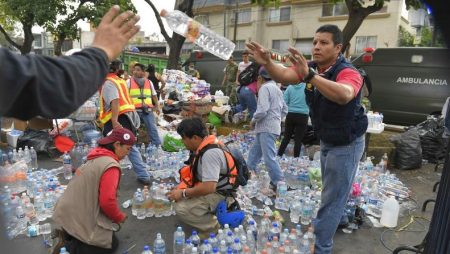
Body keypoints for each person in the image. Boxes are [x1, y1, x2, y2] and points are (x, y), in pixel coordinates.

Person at [246, 24, 367, 254]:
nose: (316, 47)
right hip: (328, 140)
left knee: (332, 198)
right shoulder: (311, 67)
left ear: (338, 47)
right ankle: (333, 223)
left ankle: (321, 248)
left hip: (347, 143)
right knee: (331, 194)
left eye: (323, 43)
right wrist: (268, 63)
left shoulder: (347, 71)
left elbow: (344, 94)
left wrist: (311, 76)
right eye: (314, 42)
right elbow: (284, 75)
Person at [0, 6, 140, 121]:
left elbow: (55, 87)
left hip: (118, 118)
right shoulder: (114, 80)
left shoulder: (110, 81)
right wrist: (100, 52)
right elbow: (55, 87)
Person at [52, 128, 135, 254]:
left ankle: (68, 234)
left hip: (66, 213)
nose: (128, 153)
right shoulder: (111, 165)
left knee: (102, 234)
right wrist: (118, 217)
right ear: (117, 145)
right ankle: (69, 247)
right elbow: (107, 201)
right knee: (110, 244)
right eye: (128, 149)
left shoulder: (96, 156)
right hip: (78, 214)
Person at [166, 118, 236, 238]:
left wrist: (182, 193)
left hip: (221, 194)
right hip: (217, 188)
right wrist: (180, 189)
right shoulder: (205, 146)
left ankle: (214, 228)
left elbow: (209, 187)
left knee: (181, 208)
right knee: (180, 196)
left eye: (184, 138)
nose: (183, 142)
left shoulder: (210, 154)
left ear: (195, 138)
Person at [98, 60, 151, 185]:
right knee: (129, 147)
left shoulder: (108, 83)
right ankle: (144, 175)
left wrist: (115, 121)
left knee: (111, 148)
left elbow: (115, 101)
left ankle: (107, 177)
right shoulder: (119, 80)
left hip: (119, 119)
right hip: (127, 117)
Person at [247, 67, 287, 189]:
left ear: (260, 78)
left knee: (269, 157)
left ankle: (279, 182)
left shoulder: (265, 88)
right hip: (270, 127)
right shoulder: (277, 89)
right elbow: (285, 109)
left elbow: (262, 110)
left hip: (266, 127)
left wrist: (253, 120)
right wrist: (276, 119)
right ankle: (248, 172)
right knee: (255, 152)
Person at [127, 63, 162, 146]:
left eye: (138, 70)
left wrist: (157, 106)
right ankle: (133, 147)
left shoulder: (149, 82)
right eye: (135, 69)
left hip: (147, 111)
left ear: (143, 72)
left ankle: (157, 147)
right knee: (132, 130)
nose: (135, 72)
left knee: (152, 129)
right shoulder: (128, 82)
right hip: (134, 111)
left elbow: (154, 95)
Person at [277, 82, 309, 158]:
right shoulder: (307, 87)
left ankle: (278, 155)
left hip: (290, 114)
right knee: (298, 140)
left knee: (286, 137)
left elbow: (284, 101)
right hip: (303, 115)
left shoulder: (290, 87)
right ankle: (296, 159)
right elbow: (311, 100)